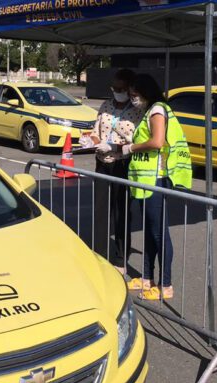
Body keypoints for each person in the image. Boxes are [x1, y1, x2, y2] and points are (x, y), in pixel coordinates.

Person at [120, 74, 192, 301]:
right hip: (145, 181)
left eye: (135, 95)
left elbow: (157, 142)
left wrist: (131, 148)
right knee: (151, 232)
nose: (133, 99)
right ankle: (147, 278)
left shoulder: (158, 111)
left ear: (146, 92)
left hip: (156, 180)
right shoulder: (151, 111)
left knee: (159, 233)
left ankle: (166, 284)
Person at [91, 69, 141, 274]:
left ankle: (120, 259)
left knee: (121, 213)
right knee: (101, 211)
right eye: (114, 88)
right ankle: (99, 255)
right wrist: (95, 142)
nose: (117, 92)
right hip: (102, 162)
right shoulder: (106, 105)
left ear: (129, 88)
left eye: (121, 89)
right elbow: (95, 130)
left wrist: (114, 147)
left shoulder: (138, 110)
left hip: (122, 164)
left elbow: (138, 141)